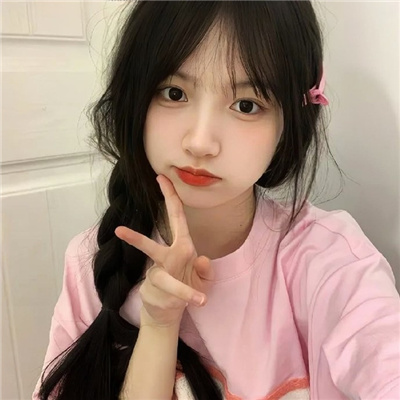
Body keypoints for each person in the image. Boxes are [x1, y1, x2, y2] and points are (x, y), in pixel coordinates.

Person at [33, 1, 400, 399]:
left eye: (246, 105)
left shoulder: (330, 260)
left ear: (290, 122)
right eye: (174, 93)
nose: (200, 142)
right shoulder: (92, 261)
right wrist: (158, 324)